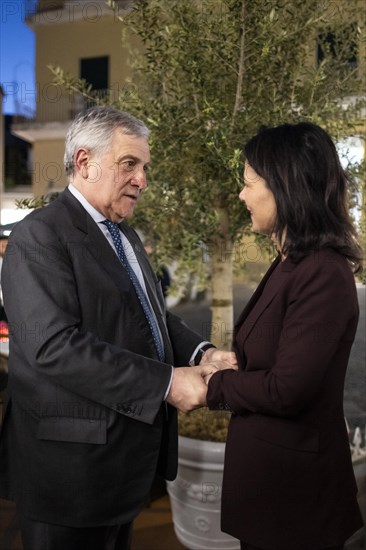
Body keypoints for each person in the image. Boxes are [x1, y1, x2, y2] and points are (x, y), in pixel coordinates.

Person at [0, 106, 237, 550]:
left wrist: (200, 353)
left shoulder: (122, 234)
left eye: (144, 167)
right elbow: (54, 347)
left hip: (118, 469)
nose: (142, 179)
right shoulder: (39, 237)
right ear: (85, 162)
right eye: (130, 164)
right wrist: (167, 383)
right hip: (69, 476)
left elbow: (150, 315)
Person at [205, 122, 364, 550]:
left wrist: (211, 387)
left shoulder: (323, 273)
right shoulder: (292, 260)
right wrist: (230, 359)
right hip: (271, 492)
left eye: (249, 183)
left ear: (285, 186)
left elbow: (287, 389)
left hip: (296, 503)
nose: (241, 195)